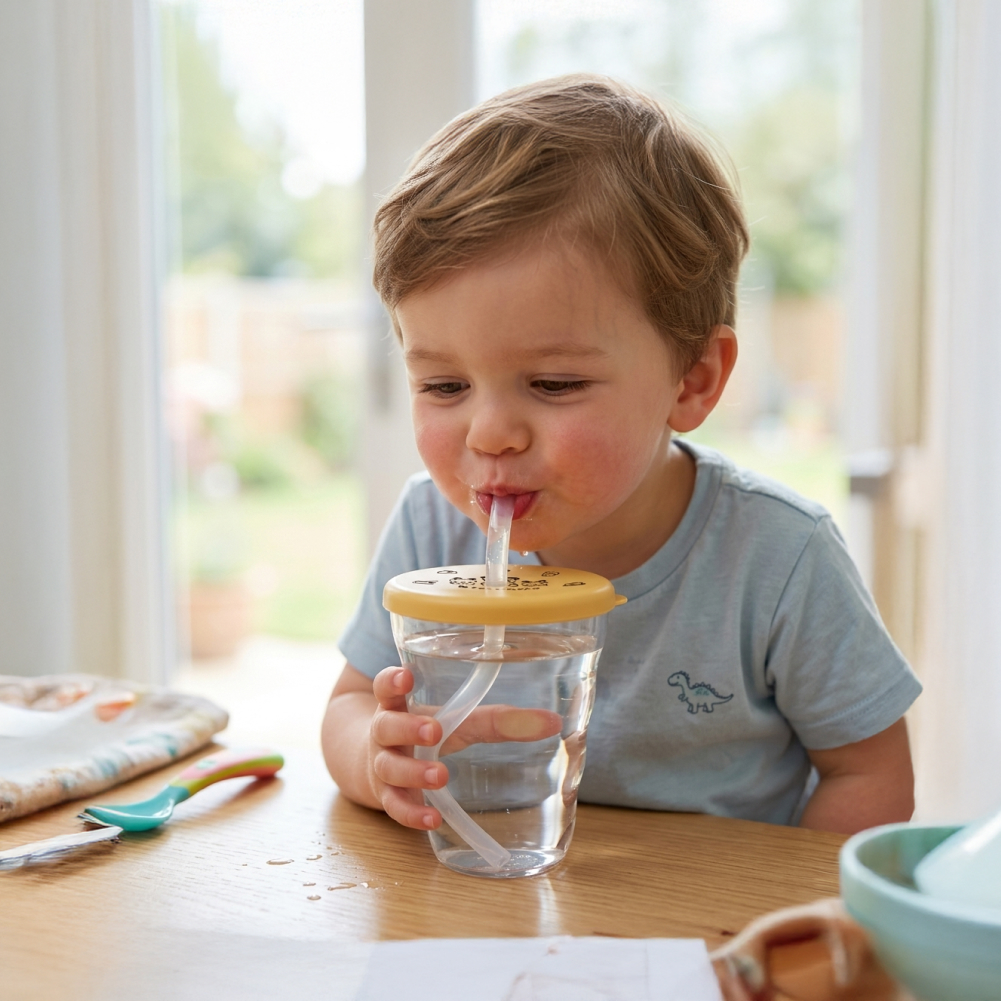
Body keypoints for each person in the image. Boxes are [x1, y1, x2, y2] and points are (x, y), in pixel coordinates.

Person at [321, 74, 921, 837]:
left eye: (553, 382)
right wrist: (375, 761)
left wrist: (783, 917)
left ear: (692, 380)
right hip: (492, 912)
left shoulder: (779, 557)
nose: (489, 434)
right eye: (443, 384)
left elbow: (869, 773)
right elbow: (350, 703)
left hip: (706, 927)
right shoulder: (431, 527)